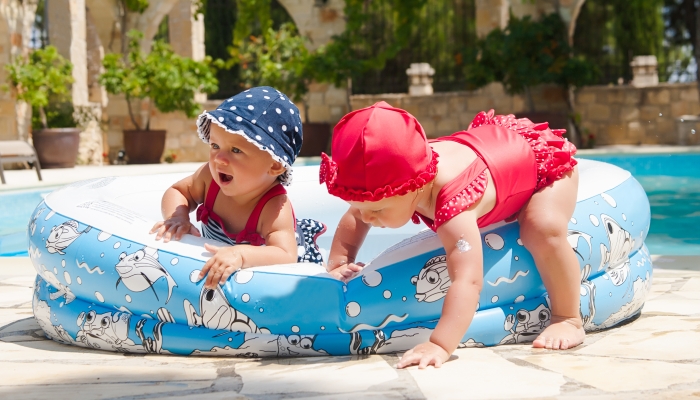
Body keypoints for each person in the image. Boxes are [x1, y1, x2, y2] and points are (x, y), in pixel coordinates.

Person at [320, 102, 583, 369]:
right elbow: (356, 215)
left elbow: (468, 280)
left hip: (543, 164)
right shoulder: (398, 177)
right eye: (362, 206)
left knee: (541, 228)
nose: (366, 217)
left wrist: (440, 343)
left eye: (376, 209)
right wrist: (340, 262)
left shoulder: (453, 204)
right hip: (495, 142)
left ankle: (568, 318)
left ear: (416, 186)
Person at [150, 86, 325, 290]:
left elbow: (286, 254)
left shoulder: (274, 206)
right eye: (215, 146)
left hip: (287, 275)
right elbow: (179, 191)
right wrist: (178, 217)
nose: (219, 159)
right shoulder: (209, 178)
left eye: (236, 150)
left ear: (275, 165)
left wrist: (241, 254)